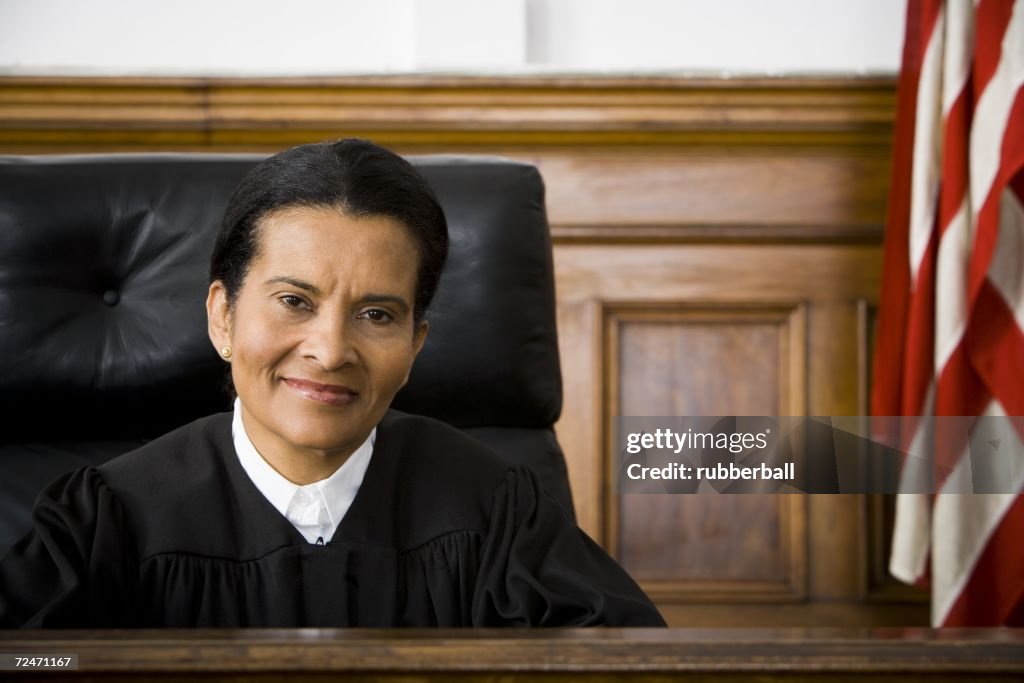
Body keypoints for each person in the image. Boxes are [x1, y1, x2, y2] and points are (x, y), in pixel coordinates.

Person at [0, 139, 665, 628]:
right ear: (222, 316)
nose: (330, 349)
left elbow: (628, 662)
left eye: (377, 314)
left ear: (415, 347)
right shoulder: (106, 520)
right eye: (294, 301)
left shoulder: (496, 512)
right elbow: (27, 656)